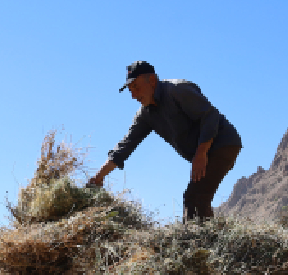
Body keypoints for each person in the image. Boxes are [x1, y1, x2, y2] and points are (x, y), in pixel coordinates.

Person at [87, 61, 243, 221]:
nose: (133, 95)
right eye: (130, 90)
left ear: (152, 81)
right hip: (203, 152)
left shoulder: (177, 90)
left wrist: (201, 153)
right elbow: (125, 146)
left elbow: (210, 116)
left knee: (194, 197)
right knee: (197, 197)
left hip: (221, 143)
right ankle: (211, 237)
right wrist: (99, 177)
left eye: (136, 87)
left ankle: (198, 242)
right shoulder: (145, 115)